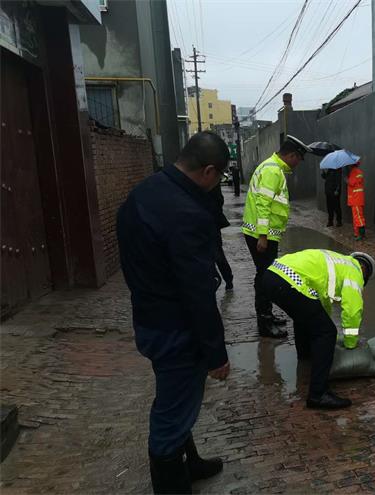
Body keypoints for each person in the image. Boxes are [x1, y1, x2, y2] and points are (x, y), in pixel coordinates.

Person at [117, 131, 231, 494]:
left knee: (177, 400)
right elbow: (197, 293)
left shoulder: (144, 193)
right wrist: (216, 354)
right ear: (209, 172)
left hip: (150, 318)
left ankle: (191, 463)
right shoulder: (187, 214)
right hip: (177, 331)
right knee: (171, 412)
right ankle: (171, 482)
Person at [261, 249, 375, 409]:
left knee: (307, 318)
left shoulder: (338, 262)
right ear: (365, 271)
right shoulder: (355, 271)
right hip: (288, 281)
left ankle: (306, 356)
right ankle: (318, 394)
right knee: (327, 332)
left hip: (272, 276)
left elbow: (320, 305)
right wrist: (350, 343)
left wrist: (321, 325)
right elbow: (352, 310)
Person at [242, 135, 311, 338]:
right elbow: (264, 204)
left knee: (265, 275)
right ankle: (264, 324)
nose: (298, 163)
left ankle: (268, 316)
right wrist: (263, 236)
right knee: (264, 278)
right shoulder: (272, 170)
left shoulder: (272, 167)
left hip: (262, 234)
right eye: (298, 158)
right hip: (261, 235)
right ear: (291, 155)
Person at [210, 184, 233, 290]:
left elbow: (218, 200)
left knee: (216, 253)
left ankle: (226, 279)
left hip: (211, 222)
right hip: (211, 222)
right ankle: (225, 279)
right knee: (216, 252)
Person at [347, 161, 366, 240]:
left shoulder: (354, 172)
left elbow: (351, 183)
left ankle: (361, 234)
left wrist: (346, 179)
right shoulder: (358, 171)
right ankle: (357, 233)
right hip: (357, 198)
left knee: (358, 217)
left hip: (356, 199)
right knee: (356, 217)